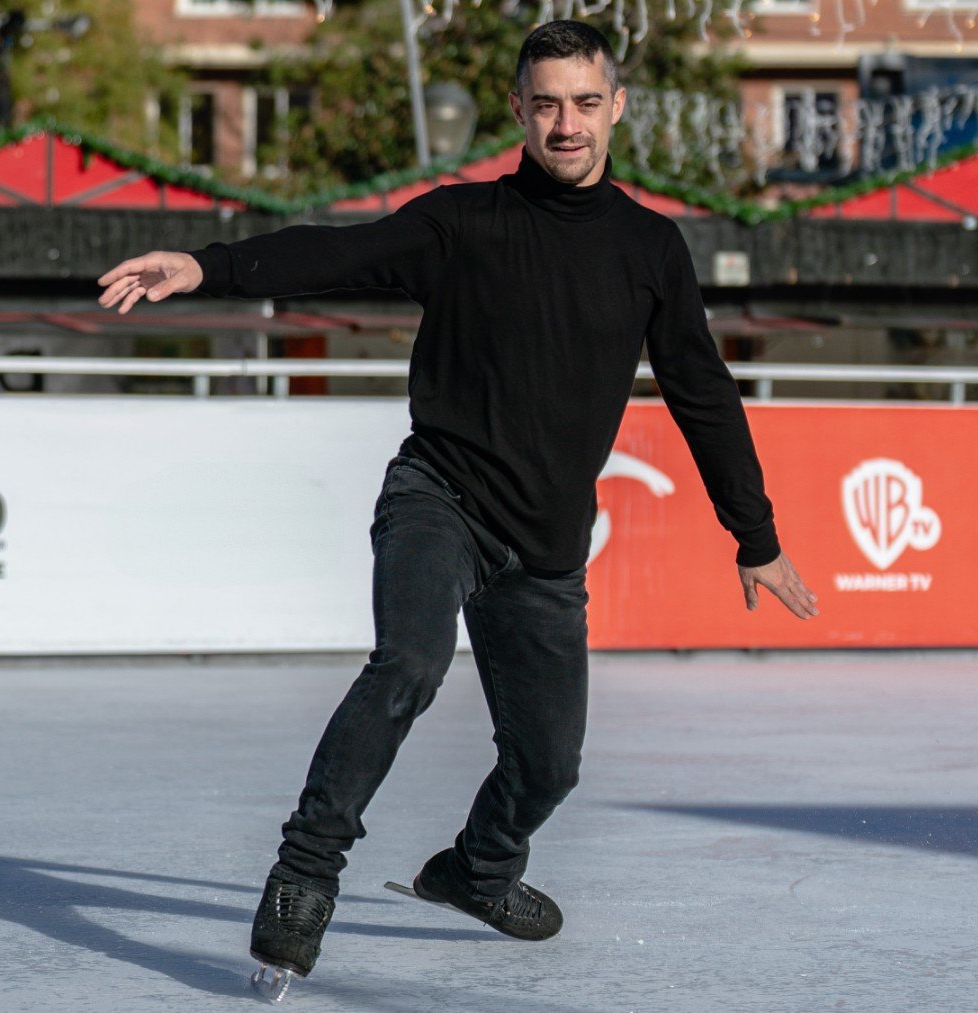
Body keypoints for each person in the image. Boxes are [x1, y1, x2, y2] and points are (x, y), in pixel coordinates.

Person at [96, 19, 818, 986]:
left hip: (548, 543)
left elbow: (701, 388)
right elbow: (334, 255)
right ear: (519, 109)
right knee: (410, 663)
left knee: (550, 764)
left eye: (587, 103)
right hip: (440, 495)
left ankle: (478, 871)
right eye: (549, 103)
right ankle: (305, 873)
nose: (568, 124)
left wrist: (755, 535)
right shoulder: (461, 224)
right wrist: (206, 266)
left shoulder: (651, 247)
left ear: (618, 108)